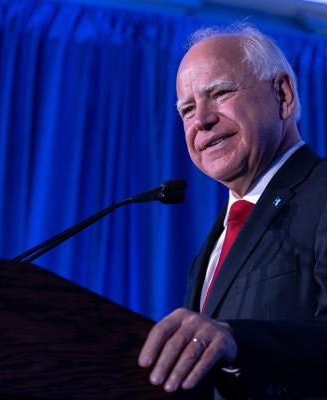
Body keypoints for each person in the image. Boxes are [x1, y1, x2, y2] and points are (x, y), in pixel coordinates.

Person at [138, 24, 327, 400]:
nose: (201, 121)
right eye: (187, 109)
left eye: (220, 93)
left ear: (283, 95)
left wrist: (237, 339)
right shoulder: (216, 240)